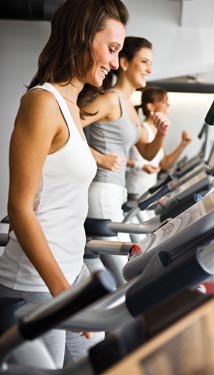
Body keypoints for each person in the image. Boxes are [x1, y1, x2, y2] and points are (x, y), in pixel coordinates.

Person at [0, 0, 128, 368]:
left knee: (96, 361)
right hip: (37, 284)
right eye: (112, 48)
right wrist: (64, 294)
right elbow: (20, 209)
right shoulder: (41, 103)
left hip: (71, 267)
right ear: (82, 37)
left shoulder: (73, 108)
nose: (116, 63)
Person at [82, 37, 169, 285]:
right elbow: (65, 127)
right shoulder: (111, 99)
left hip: (114, 194)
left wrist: (161, 134)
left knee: (124, 272)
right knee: (126, 277)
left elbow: (147, 151)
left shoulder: (129, 108)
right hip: (101, 192)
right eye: (144, 61)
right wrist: (98, 157)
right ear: (124, 62)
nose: (150, 69)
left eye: (150, 63)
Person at [126, 86, 192, 200]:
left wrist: (183, 144)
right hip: (135, 193)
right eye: (163, 101)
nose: (168, 105)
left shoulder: (158, 132)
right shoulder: (141, 130)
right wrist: (140, 166)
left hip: (149, 193)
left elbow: (165, 164)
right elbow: (119, 158)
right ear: (150, 106)